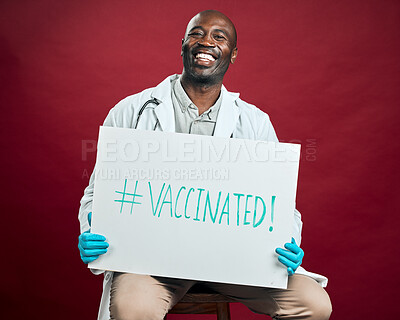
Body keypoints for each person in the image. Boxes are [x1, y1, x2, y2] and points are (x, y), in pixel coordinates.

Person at [78, 10, 332, 320]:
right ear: (183, 44)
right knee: (133, 309)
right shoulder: (131, 111)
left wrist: (287, 240)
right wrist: (94, 229)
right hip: (154, 264)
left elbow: (280, 205)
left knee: (315, 304)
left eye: (219, 37)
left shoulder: (254, 122)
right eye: (197, 33)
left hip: (235, 264)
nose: (206, 42)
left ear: (233, 54)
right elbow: (97, 193)